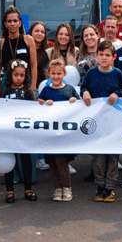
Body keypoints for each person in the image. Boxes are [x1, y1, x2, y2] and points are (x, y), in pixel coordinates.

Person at [81, 40, 122, 202]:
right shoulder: (91, 73)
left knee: (112, 158)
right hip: (97, 124)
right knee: (98, 158)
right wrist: (85, 92)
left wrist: (117, 93)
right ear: (96, 56)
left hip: (114, 124)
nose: (104, 58)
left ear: (113, 57)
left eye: (107, 55)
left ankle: (110, 188)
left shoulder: (117, 73)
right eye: (101, 55)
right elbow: (83, 87)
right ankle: (100, 186)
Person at [38, 59, 78, 201]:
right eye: (53, 73)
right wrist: (43, 102)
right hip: (50, 133)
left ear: (64, 73)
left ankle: (67, 188)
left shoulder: (69, 89)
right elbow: (38, 102)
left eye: (59, 73)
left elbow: (80, 107)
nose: (56, 76)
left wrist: (74, 100)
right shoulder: (47, 90)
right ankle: (57, 188)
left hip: (64, 134)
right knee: (52, 161)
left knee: (62, 160)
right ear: (48, 74)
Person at [1, 59, 37, 203]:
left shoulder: (28, 92)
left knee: (26, 161)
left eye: (22, 75)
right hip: (9, 133)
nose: (19, 78)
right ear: (11, 75)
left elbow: (33, 111)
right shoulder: (5, 92)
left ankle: (28, 190)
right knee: (9, 161)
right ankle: (9, 191)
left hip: (24, 134)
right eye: (16, 75)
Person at [0, 5, 37, 91]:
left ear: (19, 23)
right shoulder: (0, 43)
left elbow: (33, 65)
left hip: (25, 81)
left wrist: (33, 87)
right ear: (5, 24)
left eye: (15, 21)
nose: (12, 24)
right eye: (9, 21)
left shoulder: (28, 40)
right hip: (6, 83)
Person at [28, 20, 49, 87]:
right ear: (31, 32)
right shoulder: (25, 49)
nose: (39, 34)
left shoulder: (49, 50)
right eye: (36, 31)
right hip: (27, 87)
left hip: (44, 88)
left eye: (42, 32)